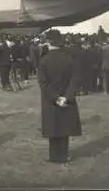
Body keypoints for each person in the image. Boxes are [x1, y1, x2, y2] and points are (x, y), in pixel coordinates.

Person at [37, 30, 82, 164]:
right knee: (64, 126)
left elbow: (43, 83)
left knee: (53, 125)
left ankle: (54, 155)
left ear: (49, 42)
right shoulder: (69, 59)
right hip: (66, 97)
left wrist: (55, 97)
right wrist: (66, 97)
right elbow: (75, 79)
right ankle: (64, 154)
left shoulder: (44, 60)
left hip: (51, 99)